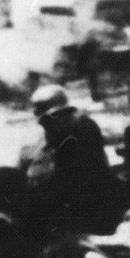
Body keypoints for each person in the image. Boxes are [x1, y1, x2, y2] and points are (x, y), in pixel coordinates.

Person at [18, 84, 123, 242]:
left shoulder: (84, 130)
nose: (55, 122)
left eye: (61, 115)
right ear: (41, 121)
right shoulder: (34, 150)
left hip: (89, 216)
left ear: (69, 113)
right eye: (47, 119)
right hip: (55, 222)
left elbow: (85, 178)